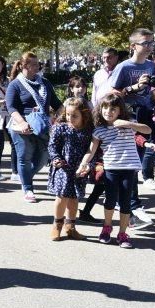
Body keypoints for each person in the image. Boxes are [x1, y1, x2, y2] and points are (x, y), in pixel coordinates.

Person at [77, 93, 151, 249]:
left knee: (125, 203)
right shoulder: (99, 130)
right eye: (105, 107)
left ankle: (122, 233)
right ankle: (107, 227)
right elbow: (91, 150)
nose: (108, 111)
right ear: (100, 109)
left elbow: (147, 130)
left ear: (120, 111)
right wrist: (84, 163)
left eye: (113, 109)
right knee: (110, 201)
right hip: (111, 169)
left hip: (129, 169)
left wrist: (128, 124)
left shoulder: (128, 124)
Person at [107, 28, 155, 229]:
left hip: (145, 113)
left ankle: (124, 202)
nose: (151, 46)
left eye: (152, 42)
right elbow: (110, 94)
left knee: (141, 157)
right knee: (131, 163)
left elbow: (151, 91)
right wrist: (134, 88)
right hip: (128, 115)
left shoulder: (152, 65)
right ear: (133, 46)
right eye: (146, 43)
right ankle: (132, 207)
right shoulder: (124, 67)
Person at [6, 52, 63, 203]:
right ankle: (27, 188)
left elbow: (57, 104)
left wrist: (61, 118)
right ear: (24, 66)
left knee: (44, 157)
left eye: (38, 64)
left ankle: (25, 176)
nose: (38, 66)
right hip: (21, 127)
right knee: (24, 156)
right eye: (35, 64)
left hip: (42, 126)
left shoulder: (45, 83)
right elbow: (11, 107)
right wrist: (22, 122)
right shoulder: (15, 85)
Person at [47, 98, 93, 241]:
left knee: (74, 197)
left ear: (83, 115)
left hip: (79, 169)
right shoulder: (60, 128)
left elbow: (92, 151)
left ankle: (70, 227)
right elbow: (52, 146)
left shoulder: (88, 131)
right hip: (63, 167)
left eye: (75, 116)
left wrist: (88, 166)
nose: (70, 118)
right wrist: (55, 158)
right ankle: (57, 226)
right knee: (62, 196)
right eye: (68, 115)